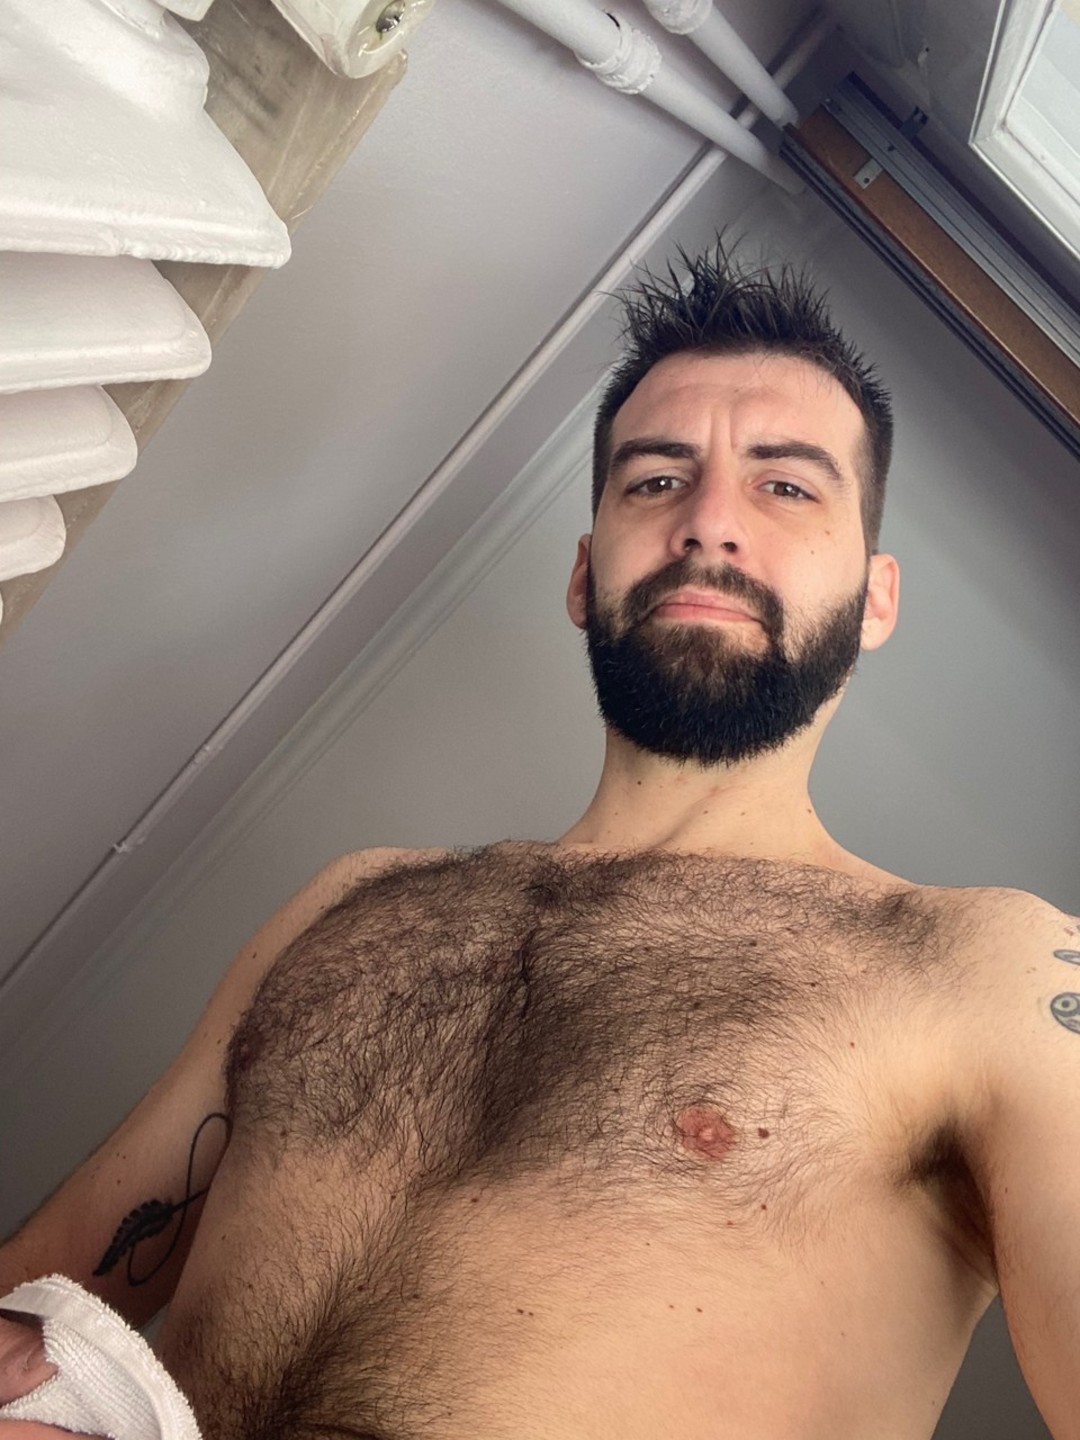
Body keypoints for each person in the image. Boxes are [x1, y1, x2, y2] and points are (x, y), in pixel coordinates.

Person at [2, 244, 1078, 1440]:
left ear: (876, 597)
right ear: (583, 573)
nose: (709, 523)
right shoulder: (356, 904)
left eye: (785, 487)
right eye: (655, 479)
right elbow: (47, 1290)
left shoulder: (986, 971)